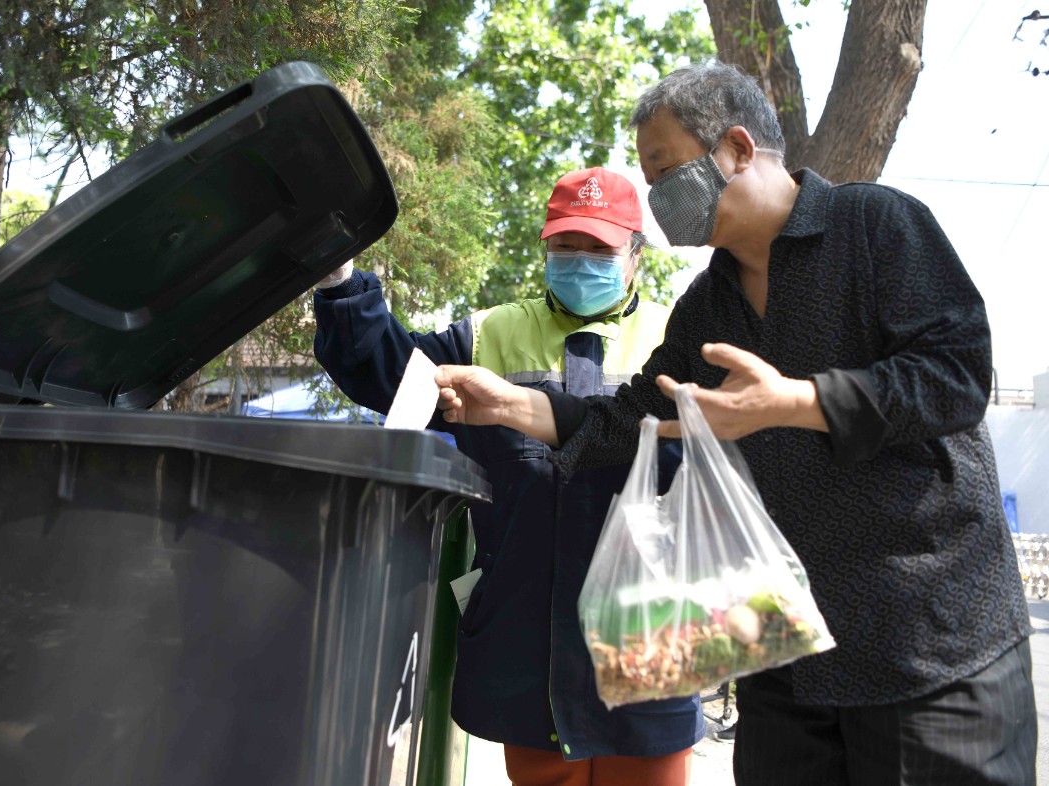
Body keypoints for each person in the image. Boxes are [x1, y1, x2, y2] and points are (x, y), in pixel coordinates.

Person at [432, 61, 1037, 786]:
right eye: (649, 182)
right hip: (785, 654)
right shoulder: (706, 307)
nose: (658, 200)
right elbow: (633, 420)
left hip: (925, 643)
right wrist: (503, 404)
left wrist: (798, 402)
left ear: (739, 149)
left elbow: (956, 374)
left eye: (666, 171)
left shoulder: (876, 225)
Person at [313, 167, 706, 785]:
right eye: (565, 246)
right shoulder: (491, 333)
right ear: (545, 247)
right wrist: (340, 282)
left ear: (635, 255)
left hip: (648, 634)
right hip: (531, 640)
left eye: (598, 249)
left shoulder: (676, 337)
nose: (580, 261)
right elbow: (392, 374)